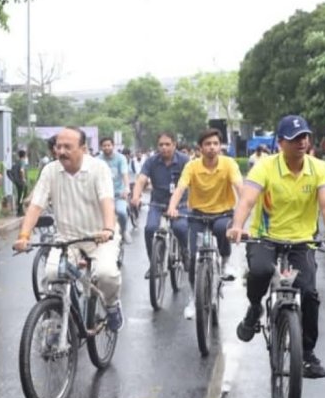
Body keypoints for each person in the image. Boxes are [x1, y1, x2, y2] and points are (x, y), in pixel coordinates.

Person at [227, 115, 325, 379]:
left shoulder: (319, 168)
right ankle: (255, 307)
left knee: (309, 293)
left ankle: (308, 354)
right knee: (259, 272)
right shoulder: (265, 167)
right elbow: (247, 200)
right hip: (266, 237)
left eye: (305, 137)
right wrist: (237, 225)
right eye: (294, 138)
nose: (302, 142)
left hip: (302, 240)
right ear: (280, 143)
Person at [13, 127, 124, 331]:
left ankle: (111, 305)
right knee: (53, 274)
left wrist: (108, 229)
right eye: (58, 147)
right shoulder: (50, 171)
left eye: (67, 147)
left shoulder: (98, 168)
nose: (61, 151)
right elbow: (36, 205)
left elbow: (107, 201)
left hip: (99, 237)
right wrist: (24, 235)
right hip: (67, 238)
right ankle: (62, 321)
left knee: (106, 274)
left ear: (83, 148)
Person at [167, 128, 243, 319]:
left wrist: (244, 207)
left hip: (223, 213)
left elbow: (239, 187)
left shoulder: (229, 164)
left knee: (221, 229)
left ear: (220, 146)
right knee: (194, 258)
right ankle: (194, 298)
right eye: (207, 144)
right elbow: (180, 188)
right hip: (198, 215)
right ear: (200, 148)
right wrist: (172, 207)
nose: (212, 147)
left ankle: (225, 262)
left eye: (215, 144)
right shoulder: (192, 166)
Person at [131, 132, 190, 280]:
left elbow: (192, 181)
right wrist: (136, 196)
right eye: (161, 145)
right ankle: (154, 264)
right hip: (157, 204)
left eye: (167, 144)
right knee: (150, 229)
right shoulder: (151, 161)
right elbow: (141, 180)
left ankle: (185, 251)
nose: (164, 148)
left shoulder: (184, 160)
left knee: (180, 228)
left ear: (174, 145)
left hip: (180, 204)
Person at [97, 137, 132, 244]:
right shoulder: (97, 160)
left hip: (118, 194)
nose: (107, 147)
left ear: (113, 146)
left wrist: (127, 188)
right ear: (101, 147)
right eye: (104, 146)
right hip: (103, 195)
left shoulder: (121, 158)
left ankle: (124, 230)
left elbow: (124, 174)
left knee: (121, 212)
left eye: (109, 145)